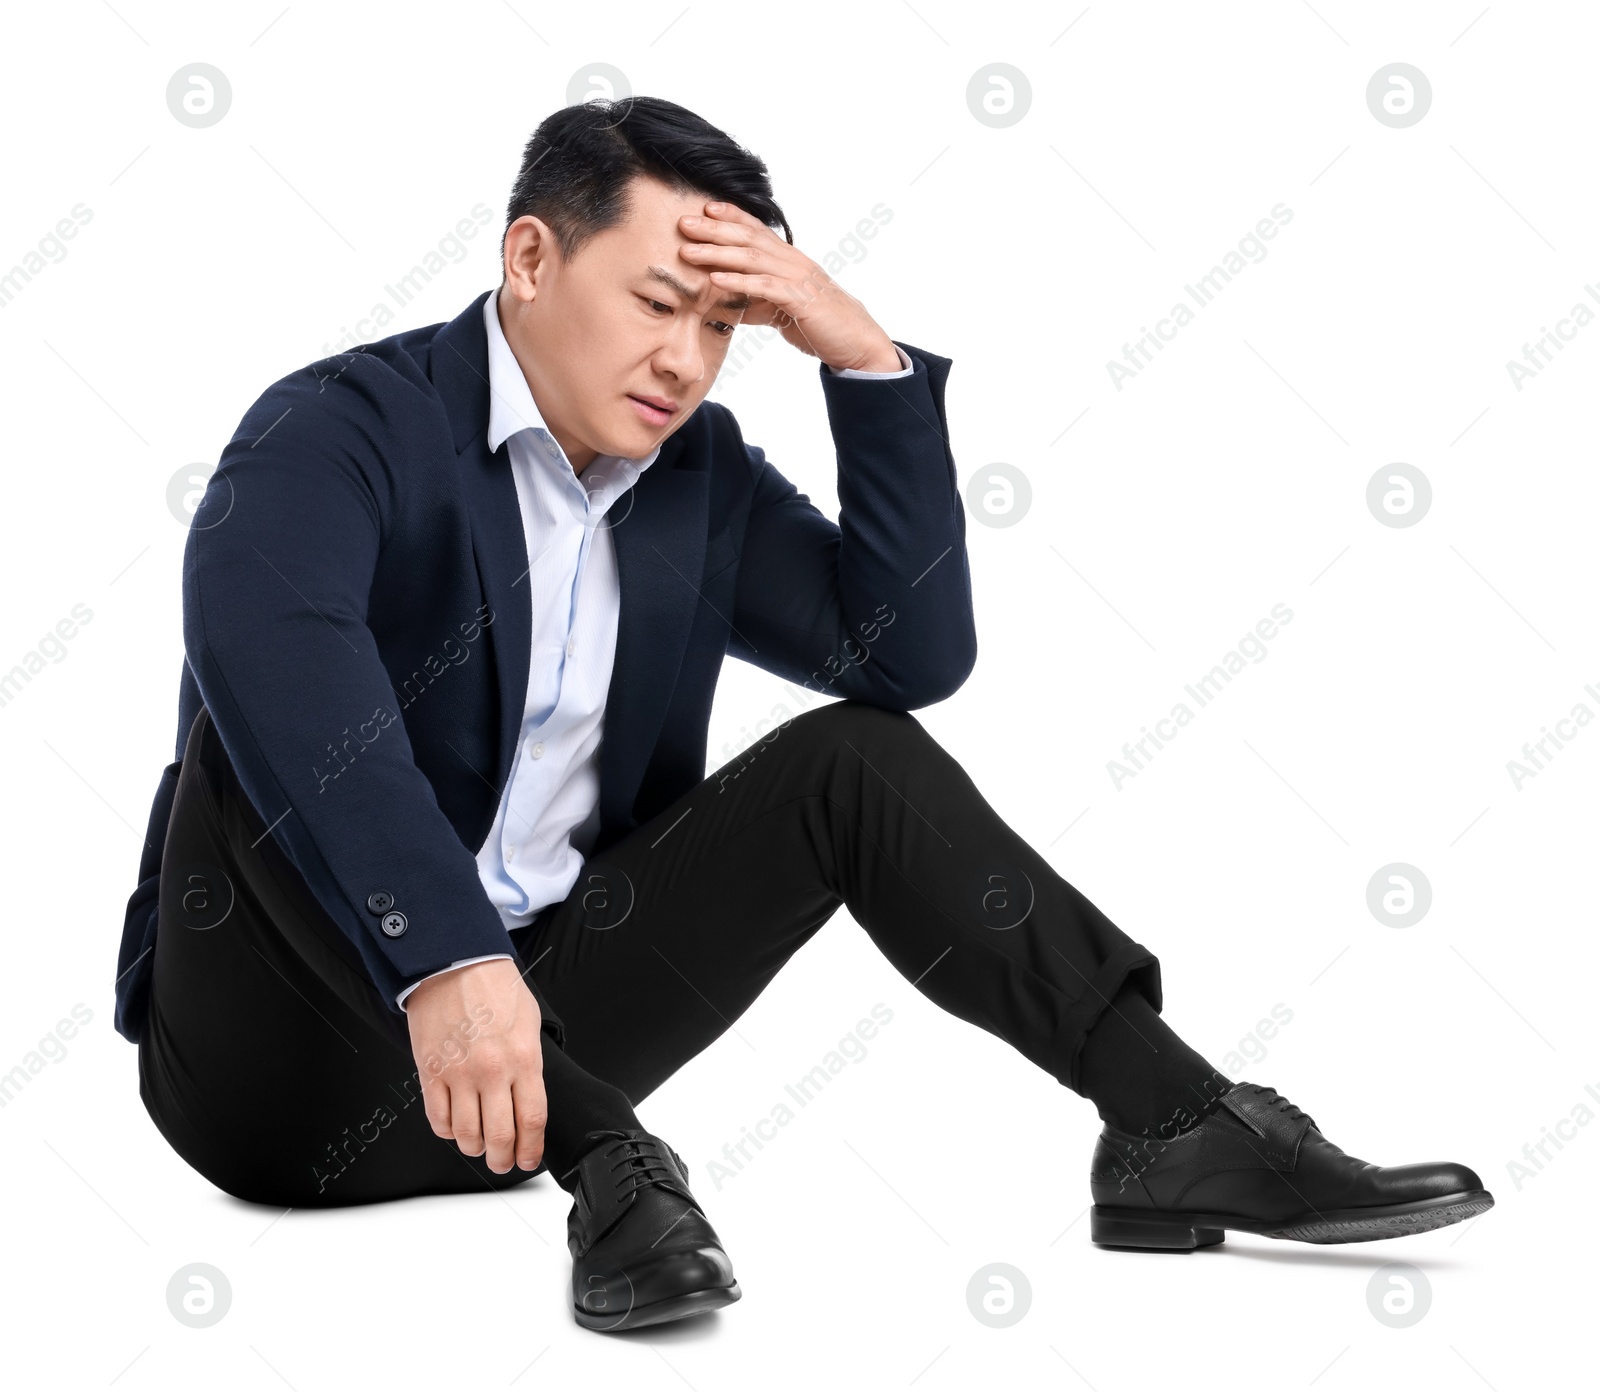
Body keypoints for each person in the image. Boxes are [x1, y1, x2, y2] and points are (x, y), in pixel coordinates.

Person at [116, 95, 1492, 1333]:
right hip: (277, 1072)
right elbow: (271, 651)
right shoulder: (340, 429)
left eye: (723, 325)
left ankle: (1172, 1120)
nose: (688, 359)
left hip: (536, 1053)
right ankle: (614, 1161)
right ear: (529, 260)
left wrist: (865, 362)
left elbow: (903, 657)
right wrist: (449, 960)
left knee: (856, 762)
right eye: (660, 300)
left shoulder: (691, 473)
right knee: (269, 744)